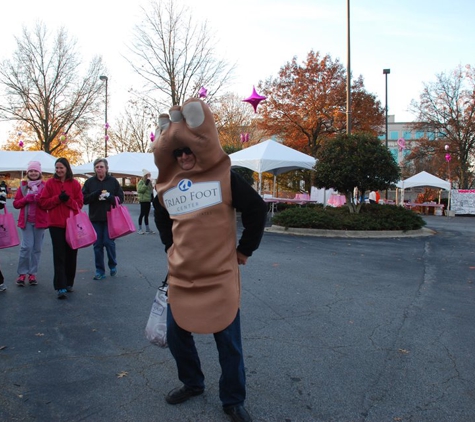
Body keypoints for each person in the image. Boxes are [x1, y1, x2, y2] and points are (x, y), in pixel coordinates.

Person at [153, 98, 267, 422]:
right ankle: (192, 383)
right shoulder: (166, 187)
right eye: (178, 152)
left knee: (228, 342)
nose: (185, 156)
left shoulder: (225, 178)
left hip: (219, 278)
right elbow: (162, 218)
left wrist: (244, 250)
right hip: (182, 277)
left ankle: (233, 399)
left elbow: (256, 209)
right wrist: (168, 246)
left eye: (189, 150)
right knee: (177, 336)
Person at [38, 158, 83, 299]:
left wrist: (68, 200)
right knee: (59, 255)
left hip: (72, 224)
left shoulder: (75, 184)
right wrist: (58, 198)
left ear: (67, 168)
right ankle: (60, 286)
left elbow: (79, 204)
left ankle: (69, 281)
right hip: (56, 224)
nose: (59, 170)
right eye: (57, 168)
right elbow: (43, 203)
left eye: (61, 168)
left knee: (71, 254)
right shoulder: (50, 183)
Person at [81, 158, 124, 280]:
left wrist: (110, 196)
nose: (99, 169)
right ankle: (100, 271)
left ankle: (112, 264)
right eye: (97, 167)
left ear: (106, 168)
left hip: (111, 218)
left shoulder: (113, 181)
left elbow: (120, 198)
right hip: (95, 218)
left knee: (109, 242)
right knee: (97, 245)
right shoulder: (89, 182)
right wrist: (94, 194)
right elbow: (83, 199)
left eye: (101, 167)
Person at [12, 161, 48, 287]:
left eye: (35, 171)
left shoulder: (45, 186)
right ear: (28, 173)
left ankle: (32, 273)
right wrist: (26, 199)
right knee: (26, 247)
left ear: (40, 173)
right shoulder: (23, 186)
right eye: (31, 171)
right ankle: (22, 273)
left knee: (36, 249)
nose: (33, 173)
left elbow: (48, 204)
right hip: (26, 221)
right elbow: (16, 204)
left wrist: (38, 199)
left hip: (40, 222)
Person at [137, 169, 155, 234]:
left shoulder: (149, 182)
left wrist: (152, 198)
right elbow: (140, 190)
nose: (149, 176)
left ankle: (147, 229)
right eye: (148, 175)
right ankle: (139, 229)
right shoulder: (141, 182)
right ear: (145, 175)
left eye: (150, 175)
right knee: (142, 214)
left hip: (148, 200)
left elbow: (150, 191)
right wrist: (146, 183)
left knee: (146, 215)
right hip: (143, 200)